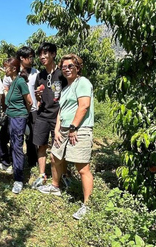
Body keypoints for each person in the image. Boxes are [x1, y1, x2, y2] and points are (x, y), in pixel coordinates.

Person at [38, 54, 94, 220]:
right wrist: (56, 130)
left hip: (79, 129)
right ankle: (56, 186)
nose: (67, 69)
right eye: (64, 67)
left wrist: (73, 127)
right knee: (55, 158)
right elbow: (61, 111)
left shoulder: (82, 82)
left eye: (71, 66)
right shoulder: (66, 87)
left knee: (82, 168)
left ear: (78, 67)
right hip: (63, 129)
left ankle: (87, 205)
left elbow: (84, 106)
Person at [31, 42, 67, 188]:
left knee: (59, 147)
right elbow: (39, 99)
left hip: (58, 115)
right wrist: (38, 96)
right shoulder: (41, 75)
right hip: (43, 115)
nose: (42, 57)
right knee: (41, 145)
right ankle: (42, 175)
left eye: (45, 53)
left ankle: (63, 175)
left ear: (53, 54)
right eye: (40, 54)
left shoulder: (62, 74)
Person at [3, 58, 33, 194]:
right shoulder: (13, 81)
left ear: (14, 69)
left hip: (18, 118)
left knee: (17, 147)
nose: (4, 70)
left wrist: (24, 116)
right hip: (11, 117)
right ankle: (16, 169)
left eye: (6, 67)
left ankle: (19, 179)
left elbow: (30, 101)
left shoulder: (20, 81)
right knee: (13, 144)